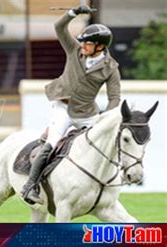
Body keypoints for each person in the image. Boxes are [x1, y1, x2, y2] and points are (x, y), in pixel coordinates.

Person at [20, 6, 121, 205]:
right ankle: (30, 185)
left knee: (103, 145)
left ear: (100, 46)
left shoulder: (111, 68)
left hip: (87, 114)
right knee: (51, 143)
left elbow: (114, 98)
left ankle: (107, 183)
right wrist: (74, 13)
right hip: (63, 109)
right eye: (82, 42)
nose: (83, 45)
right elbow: (59, 27)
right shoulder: (74, 50)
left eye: (88, 43)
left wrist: (106, 120)